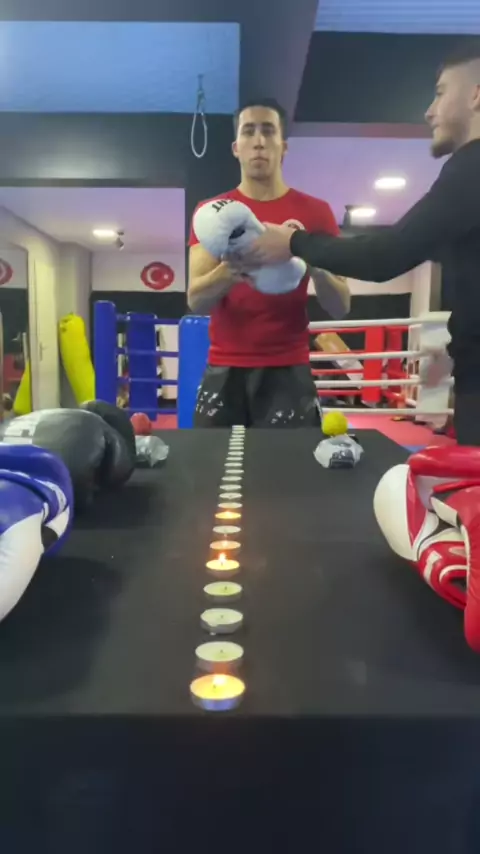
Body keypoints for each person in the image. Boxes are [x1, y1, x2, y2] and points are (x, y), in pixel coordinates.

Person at [241, 42, 480, 445]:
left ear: (476, 94)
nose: (429, 110)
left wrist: (294, 241)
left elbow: (384, 256)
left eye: (440, 92)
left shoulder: (472, 168)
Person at [187, 97, 350, 428]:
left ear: (283, 146)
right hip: (225, 368)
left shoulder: (316, 212)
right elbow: (196, 300)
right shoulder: (212, 213)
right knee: (214, 461)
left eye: (268, 131)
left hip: (288, 368)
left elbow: (341, 306)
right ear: (236, 148)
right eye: (248, 131)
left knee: (289, 462)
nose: (259, 141)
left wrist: (311, 259)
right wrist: (232, 269)